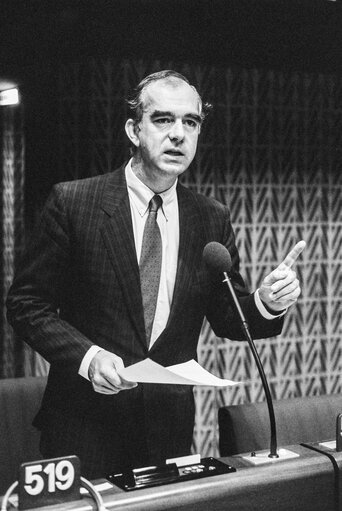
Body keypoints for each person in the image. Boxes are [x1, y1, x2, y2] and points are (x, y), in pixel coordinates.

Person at [6, 70, 305, 479]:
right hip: (83, 430)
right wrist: (88, 358)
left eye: (191, 122)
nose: (178, 134)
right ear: (134, 129)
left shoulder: (210, 217)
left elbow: (228, 315)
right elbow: (26, 305)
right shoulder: (74, 203)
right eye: (163, 119)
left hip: (167, 434)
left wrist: (266, 304)